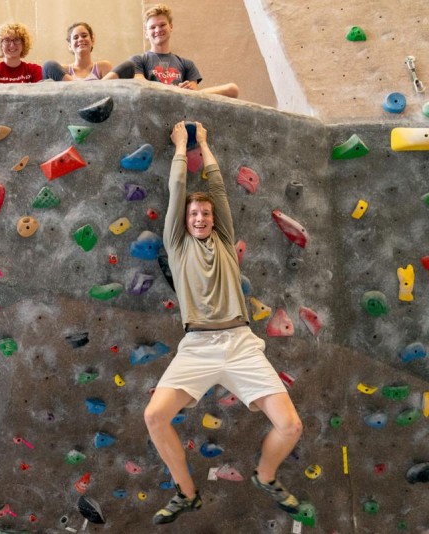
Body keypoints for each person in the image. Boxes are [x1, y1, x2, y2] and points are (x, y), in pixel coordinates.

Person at [145, 121, 302, 524]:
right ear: (185, 219)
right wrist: (182, 145)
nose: (199, 217)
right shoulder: (177, 244)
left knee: (290, 426)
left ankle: (265, 476)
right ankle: (186, 492)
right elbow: (178, 189)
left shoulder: (224, 239)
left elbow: (217, 188)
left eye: (205, 213)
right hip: (197, 345)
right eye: (194, 213)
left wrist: (206, 145)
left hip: (239, 343)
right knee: (154, 416)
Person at [103, 4, 238, 98]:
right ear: (146, 33)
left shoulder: (187, 64)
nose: (158, 30)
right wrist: (174, 90)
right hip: (154, 104)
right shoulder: (137, 60)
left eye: (162, 25)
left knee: (232, 89)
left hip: (180, 103)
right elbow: (142, 86)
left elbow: (195, 96)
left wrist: (187, 90)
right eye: (152, 27)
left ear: (171, 26)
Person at [42, 22, 113, 81]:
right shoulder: (63, 70)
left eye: (84, 36)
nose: (80, 39)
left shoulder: (103, 67)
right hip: (71, 97)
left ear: (92, 40)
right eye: (75, 38)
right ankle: (76, 86)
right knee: (49, 65)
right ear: (70, 45)